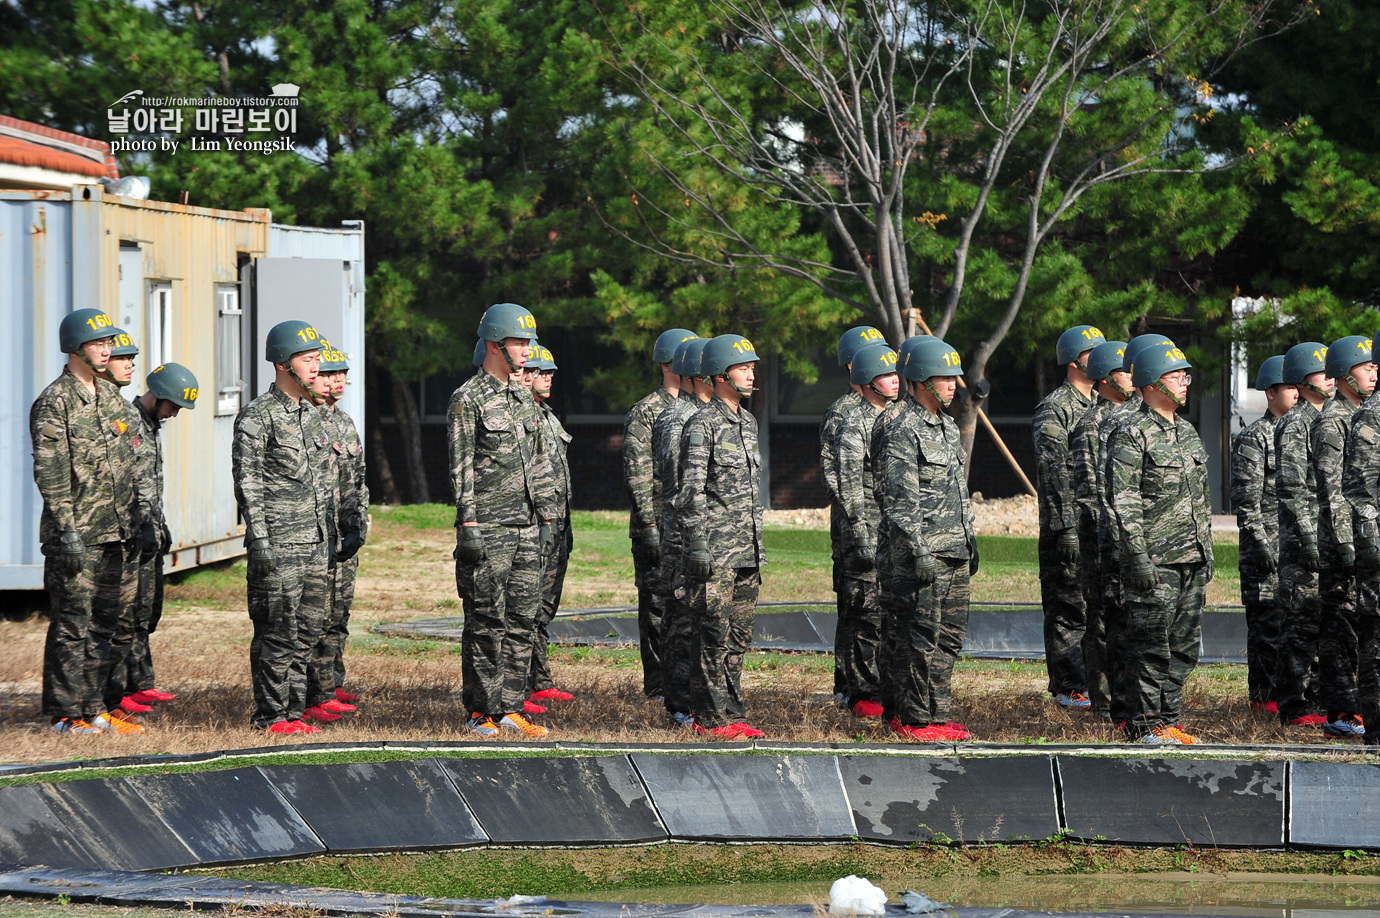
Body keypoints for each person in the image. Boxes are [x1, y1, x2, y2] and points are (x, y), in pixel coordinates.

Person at [31, 309, 154, 735]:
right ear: (75, 348)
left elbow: (132, 464)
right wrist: (66, 530)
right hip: (78, 534)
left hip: (116, 531)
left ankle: (95, 705)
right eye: (97, 344)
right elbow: (50, 471)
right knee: (73, 624)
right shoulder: (56, 401)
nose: (106, 351)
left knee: (106, 623)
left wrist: (143, 518)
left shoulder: (111, 398)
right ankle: (66, 713)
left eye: (108, 344)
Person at [448, 303, 556, 738]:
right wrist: (468, 526)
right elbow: (461, 468)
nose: (528, 351)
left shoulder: (522, 400)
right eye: (520, 342)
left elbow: (541, 462)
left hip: (529, 527)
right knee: (486, 620)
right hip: (489, 527)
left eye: (529, 342)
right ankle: (481, 711)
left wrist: (548, 517)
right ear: (495, 344)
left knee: (522, 620)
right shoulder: (467, 399)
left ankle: (511, 705)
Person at [1107, 341, 1212, 745]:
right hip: (1156, 559)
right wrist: (1138, 558)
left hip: (1191, 557)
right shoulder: (1132, 432)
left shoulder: (1185, 431)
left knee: (1183, 648)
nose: (1186, 383)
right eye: (1176, 376)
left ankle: (1169, 719)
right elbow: (1124, 501)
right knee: (1150, 645)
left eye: (1186, 375)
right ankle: (1145, 724)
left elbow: (1199, 500)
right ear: (1151, 383)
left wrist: (1206, 554)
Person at [233, 320, 335, 735]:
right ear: (282, 363)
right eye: (307, 359)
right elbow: (248, 483)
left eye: (316, 359)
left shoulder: (310, 415)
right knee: (277, 630)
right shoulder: (258, 417)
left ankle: (294, 711)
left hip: (315, 542)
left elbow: (323, 480)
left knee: (309, 629)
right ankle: (272, 716)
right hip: (278, 542)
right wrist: (259, 540)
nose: (315, 366)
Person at [879, 335, 976, 742]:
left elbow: (957, 487)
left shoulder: (947, 425)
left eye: (955, 376)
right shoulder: (899, 426)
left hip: (953, 550)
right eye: (944, 377)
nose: (953, 384)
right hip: (920, 555)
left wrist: (969, 540)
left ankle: (936, 712)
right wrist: (918, 550)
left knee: (948, 637)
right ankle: (911, 718)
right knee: (917, 638)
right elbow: (900, 499)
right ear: (920, 379)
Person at [679, 334, 767, 738]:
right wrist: (697, 543)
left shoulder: (747, 422)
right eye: (743, 367)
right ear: (719, 375)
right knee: (712, 633)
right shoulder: (702, 423)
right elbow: (691, 489)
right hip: (715, 552)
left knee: (738, 635)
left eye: (752, 367)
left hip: (746, 550)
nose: (751, 373)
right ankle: (710, 717)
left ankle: (731, 709)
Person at [1096, 334, 1174, 727]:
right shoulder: (1121, 423)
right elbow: (1112, 494)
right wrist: (1127, 550)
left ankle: (1144, 712)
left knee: (1150, 634)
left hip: (1158, 546)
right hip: (1125, 546)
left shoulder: (1171, 425)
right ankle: (1130, 712)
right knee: (1128, 632)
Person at [117, 361, 200, 721]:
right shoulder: (128, 422)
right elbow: (127, 482)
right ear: (159, 396)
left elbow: (152, 485)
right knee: (125, 614)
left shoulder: (152, 426)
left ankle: (140, 680)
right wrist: (143, 525)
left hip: (150, 531)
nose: (175, 415)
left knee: (146, 610)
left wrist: (160, 525)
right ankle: (121, 689)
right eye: (174, 407)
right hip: (129, 535)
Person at [1032, 324, 1107, 710]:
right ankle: (1068, 685)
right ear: (1074, 360)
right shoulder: (1056, 408)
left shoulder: (1100, 406)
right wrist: (1064, 527)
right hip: (1067, 525)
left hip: (1094, 526)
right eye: (1093, 352)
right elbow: (1054, 474)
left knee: (1092, 607)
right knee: (1068, 607)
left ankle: (1090, 682)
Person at [623, 328, 698, 701]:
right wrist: (650, 524)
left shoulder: (698, 408)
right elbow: (638, 472)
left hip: (684, 526)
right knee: (655, 604)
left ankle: (681, 678)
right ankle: (657, 682)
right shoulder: (647, 411)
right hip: (654, 523)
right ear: (670, 363)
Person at [300, 341, 369, 723]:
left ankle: (329, 681)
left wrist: (359, 521)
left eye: (341, 373)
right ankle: (315, 692)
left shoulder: (342, 421)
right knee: (315, 617)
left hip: (343, 533)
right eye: (328, 373)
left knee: (337, 614)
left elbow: (356, 478)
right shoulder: (308, 419)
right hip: (313, 534)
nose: (336, 380)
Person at [1311, 336, 1375, 738]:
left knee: (1358, 625)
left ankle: (1360, 704)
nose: (1373, 371)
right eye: (1364, 365)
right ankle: (1342, 709)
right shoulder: (1333, 420)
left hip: (1364, 539)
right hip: (1343, 541)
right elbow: (1332, 490)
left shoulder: (1365, 414)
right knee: (1339, 625)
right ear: (1343, 373)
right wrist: (1347, 545)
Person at [834, 342, 900, 719]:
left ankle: (887, 685)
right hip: (867, 530)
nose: (894, 381)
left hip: (893, 532)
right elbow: (847, 483)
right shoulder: (854, 422)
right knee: (865, 613)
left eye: (896, 374)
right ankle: (861, 689)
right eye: (886, 375)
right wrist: (858, 530)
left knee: (890, 612)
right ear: (866, 380)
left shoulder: (897, 419)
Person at [821, 326, 886, 706]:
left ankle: (870, 681)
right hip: (855, 526)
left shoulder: (891, 410)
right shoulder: (843, 414)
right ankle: (851, 684)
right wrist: (856, 527)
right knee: (857, 605)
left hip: (886, 526)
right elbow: (837, 479)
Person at [1068, 339, 1130, 716]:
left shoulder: (1133, 419)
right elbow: (1090, 492)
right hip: (1102, 540)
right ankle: (1105, 698)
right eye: (1126, 371)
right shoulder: (1091, 425)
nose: (1134, 378)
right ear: (1106, 379)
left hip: (1130, 538)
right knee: (1103, 618)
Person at [653, 336, 711, 727]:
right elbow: (681, 486)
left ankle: (695, 697)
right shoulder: (679, 418)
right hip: (681, 535)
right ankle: (679, 703)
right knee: (683, 621)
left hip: (703, 535)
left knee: (701, 622)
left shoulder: (706, 416)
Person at [1274, 341, 1333, 729]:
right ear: (1301, 379)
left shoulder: (1326, 418)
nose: (1330, 378)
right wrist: (1309, 539)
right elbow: (1293, 488)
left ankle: (1319, 698)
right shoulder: (1297, 423)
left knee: (1320, 620)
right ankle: (1296, 704)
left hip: (1324, 535)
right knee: (1301, 623)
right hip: (1302, 541)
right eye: (1322, 372)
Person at [1231, 355, 1293, 715]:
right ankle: (1264, 698)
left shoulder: (1305, 432)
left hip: (1295, 550)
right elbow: (1246, 502)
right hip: (1264, 551)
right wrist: (1262, 545)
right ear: (1270, 393)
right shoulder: (1256, 437)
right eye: (1289, 387)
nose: (1297, 393)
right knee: (1267, 627)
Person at [526, 343, 578, 705]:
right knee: (525, 607)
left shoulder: (548, 416)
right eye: (541, 372)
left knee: (544, 606)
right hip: (533, 525)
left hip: (558, 524)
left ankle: (538, 677)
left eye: (550, 373)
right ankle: (522, 683)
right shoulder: (522, 418)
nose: (547, 379)